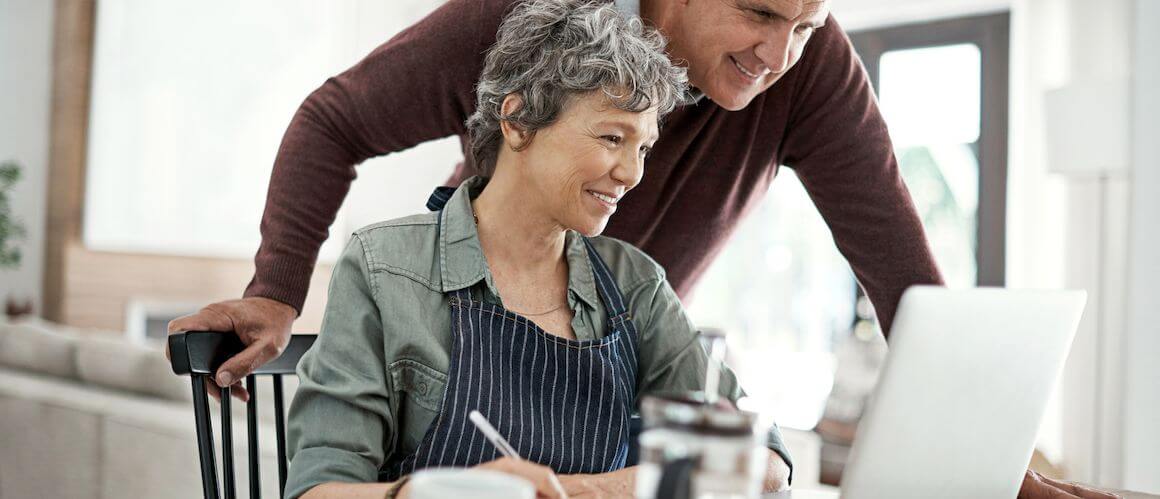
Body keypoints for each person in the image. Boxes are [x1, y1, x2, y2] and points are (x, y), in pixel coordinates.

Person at [167, 1, 1113, 497]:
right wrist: (277, 288)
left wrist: (995, 470)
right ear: (520, 122)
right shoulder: (396, 273)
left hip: (625, 383)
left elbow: (899, 273)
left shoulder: (640, 285)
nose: (781, 54)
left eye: (808, 24)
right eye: (758, 15)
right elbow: (336, 116)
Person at [282, 2, 788, 498]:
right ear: (518, 120)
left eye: (643, 149)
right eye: (613, 137)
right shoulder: (385, 268)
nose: (632, 174)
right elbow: (317, 490)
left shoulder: (635, 286)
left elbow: (763, 463)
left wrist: (582, 491)